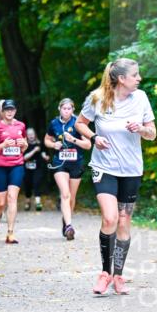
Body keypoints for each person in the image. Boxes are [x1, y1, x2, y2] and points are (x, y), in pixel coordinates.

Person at [75, 58, 156, 295]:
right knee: (110, 218)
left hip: (131, 169)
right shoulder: (97, 98)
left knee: (123, 221)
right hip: (104, 167)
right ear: (122, 79)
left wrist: (141, 129)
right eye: (135, 75)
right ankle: (104, 273)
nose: (139, 78)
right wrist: (93, 138)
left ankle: (118, 275)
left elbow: (152, 133)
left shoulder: (141, 98)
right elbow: (80, 123)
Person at [44, 97, 91, 240]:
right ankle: (70, 225)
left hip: (76, 163)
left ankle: (66, 222)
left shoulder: (78, 123)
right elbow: (47, 139)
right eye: (64, 108)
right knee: (65, 194)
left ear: (73, 110)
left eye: (69, 108)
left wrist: (74, 140)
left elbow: (88, 144)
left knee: (71, 197)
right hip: (60, 163)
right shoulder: (53, 123)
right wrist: (53, 145)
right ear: (59, 109)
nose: (67, 111)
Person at [0, 99, 28, 244]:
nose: (10, 112)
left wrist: (24, 144)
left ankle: (10, 233)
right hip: (0, 167)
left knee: (12, 198)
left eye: (12, 109)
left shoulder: (21, 125)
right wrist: (3, 145)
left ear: (15, 111)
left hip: (17, 165)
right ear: (2, 112)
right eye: (7, 110)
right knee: (1, 202)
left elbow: (24, 146)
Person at [21, 127, 48, 212]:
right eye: (29, 135)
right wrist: (34, 151)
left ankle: (38, 203)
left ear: (35, 134)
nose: (31, 136)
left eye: (32, 134)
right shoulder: (24, 145)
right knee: (28, 185)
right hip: (27, 168)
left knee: (37, 183)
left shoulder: (40, 143)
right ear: (26, 136)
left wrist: (45, 156)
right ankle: (28, 202)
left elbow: (43, 152)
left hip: (38, 167)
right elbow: (24, 157)